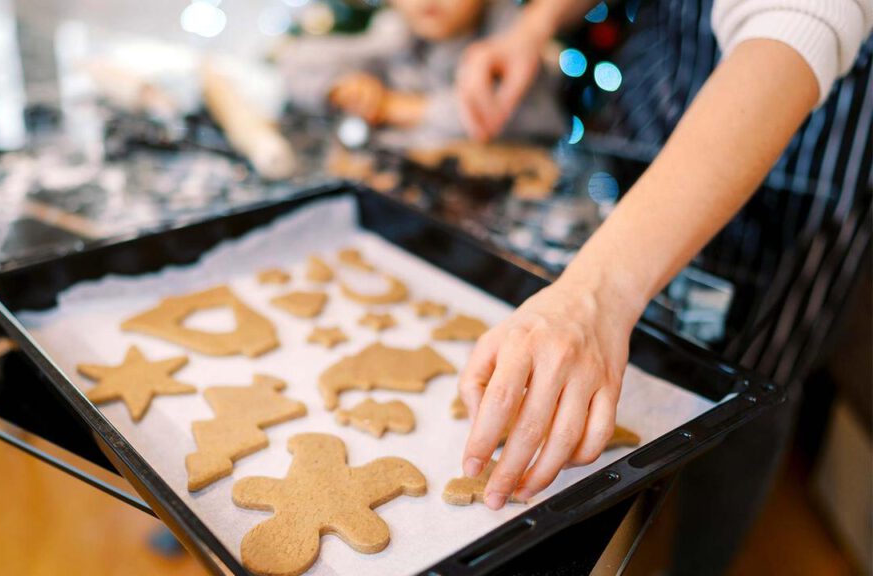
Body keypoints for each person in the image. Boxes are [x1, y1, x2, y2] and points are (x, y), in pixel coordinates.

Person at [453, 0, 872, 572]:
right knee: (609, 369)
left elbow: (799, 21)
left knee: (748, 392)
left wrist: (595, 295)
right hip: (652, 93)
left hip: (795, 133)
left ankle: (696, 563)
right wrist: (535, 25)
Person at [277, 0, 567, 142]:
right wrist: (341, 84)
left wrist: (393, 106)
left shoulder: (514, 39)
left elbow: (511, 116)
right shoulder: (395, 33)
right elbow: (296, 60)